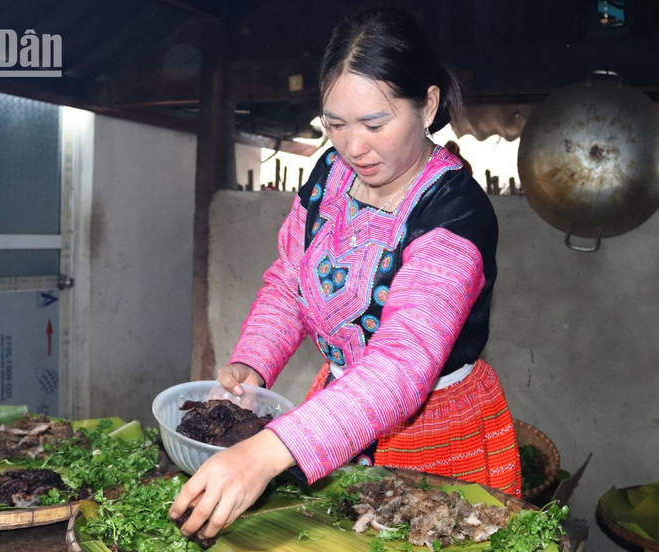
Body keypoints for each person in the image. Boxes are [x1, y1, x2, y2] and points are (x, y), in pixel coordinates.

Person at [170, 5, 521, 541]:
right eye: (335, 124)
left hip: (438, 438)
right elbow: (291, 280)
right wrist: (252, 364)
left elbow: (403, 363)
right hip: (335, 421)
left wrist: (268, 450)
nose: (353, 146)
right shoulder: (329, 174)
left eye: (375, 124)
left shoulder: (455, 212)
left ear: (426, 104)